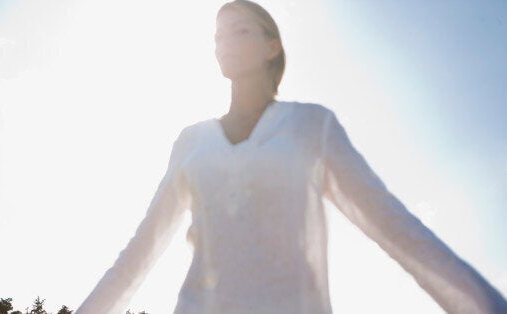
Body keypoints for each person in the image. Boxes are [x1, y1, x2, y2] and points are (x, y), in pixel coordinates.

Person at [75, 1, 507, 313]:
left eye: (240, 29)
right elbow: (140, 252)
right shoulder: (191, 140)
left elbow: (391, 224)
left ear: (272, 47)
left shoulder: (311, 125)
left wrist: (486, 305)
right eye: (218, 34)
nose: (225, 41)